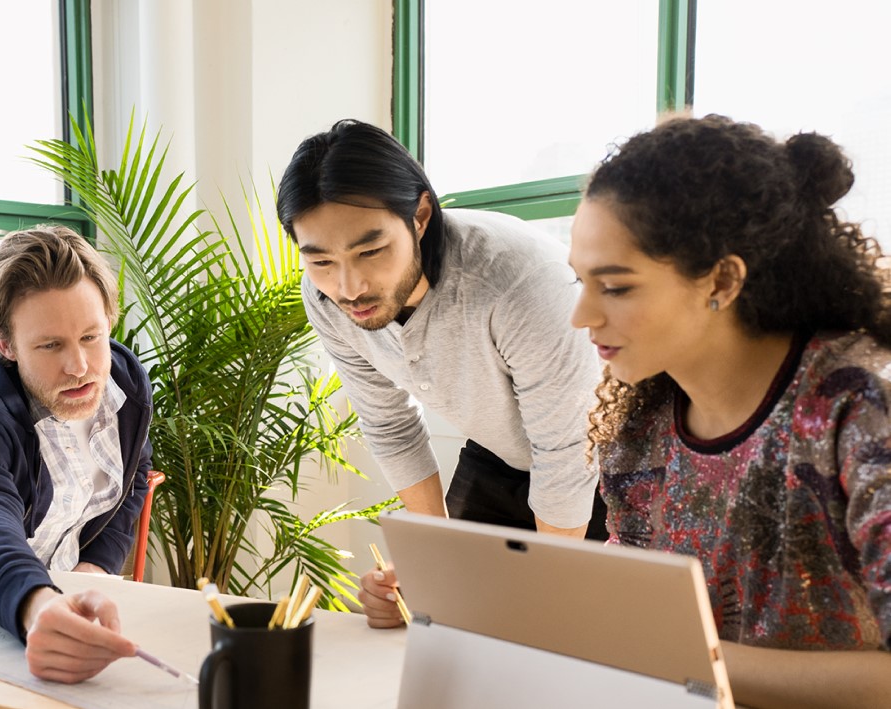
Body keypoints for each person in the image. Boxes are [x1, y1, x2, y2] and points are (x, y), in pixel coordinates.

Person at [570, 114, 891, 708]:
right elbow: (639, 611)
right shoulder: (639, 430)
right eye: (581, 283)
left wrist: (692, 660)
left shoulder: (855, 405)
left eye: (614, 287)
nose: (582, 316)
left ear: (721, 279)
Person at [276, 119, 606, 628]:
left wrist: (545, 596)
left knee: (572, 631)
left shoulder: (516, 282)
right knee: (453, 620)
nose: (349, 286)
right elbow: (390, 425)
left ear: (421, 215)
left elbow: (566, 455)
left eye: (370, 251)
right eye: (320, 260)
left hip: (607, 466)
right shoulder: (326, 296)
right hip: (499, 453)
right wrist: (429, 577)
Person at [0, 225, 152, 683]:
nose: (80, 366)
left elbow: (135, 474)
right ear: (5, 345)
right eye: (50, 345)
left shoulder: (125, 384)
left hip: (62, 604)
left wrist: (95, 569)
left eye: (91, 336)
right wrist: (37, 604)